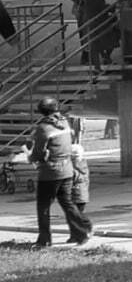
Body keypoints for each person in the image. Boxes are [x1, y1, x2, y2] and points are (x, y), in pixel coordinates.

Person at [30, 97, 93, 247]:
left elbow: (38, 153)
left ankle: (44, 239)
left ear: (41, 111)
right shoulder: (64, 123)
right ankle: (82, 231)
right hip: (67, 170)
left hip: (50, 173)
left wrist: (30, 156)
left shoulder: (43, 128)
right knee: (67, 203)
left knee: (43, 206)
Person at [81, 0, 117, 68]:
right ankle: (98, 65)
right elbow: (99, 6)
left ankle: (102, 62)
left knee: (96, 44)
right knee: (99, 44)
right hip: (97, 21)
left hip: (93, 20)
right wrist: (112, 7)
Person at [70, 143, 90, 213]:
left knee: (76, 214)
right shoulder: (83, 165)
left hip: (76, 195)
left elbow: (73, 178)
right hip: (83, 195)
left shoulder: (73, 167)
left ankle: (82, 223)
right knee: (80, 213)